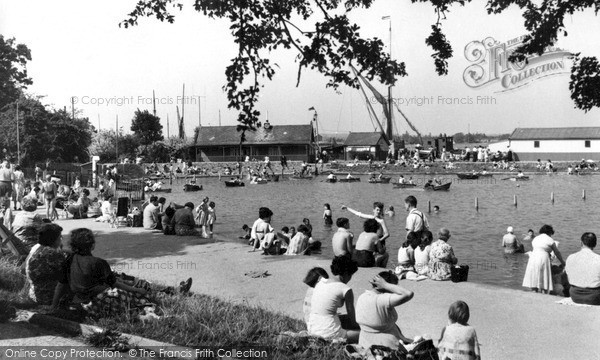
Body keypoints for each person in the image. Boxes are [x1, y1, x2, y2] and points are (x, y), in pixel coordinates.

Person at [52, 228, 192, 315]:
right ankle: (171, 293)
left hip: (81, 303)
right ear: (92, 245)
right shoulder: (98, 263)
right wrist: (134, 290)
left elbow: (61, 284)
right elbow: (115, 284)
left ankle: (170, 291)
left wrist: (53, 305)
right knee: (141, 296)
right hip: (99, 302)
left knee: (133, 285)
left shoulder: (70, 259)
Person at [355, 271, 414, 350]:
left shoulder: (362, 297)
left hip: (365, 344)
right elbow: (408, 294)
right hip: (386, 347)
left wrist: (402, 338)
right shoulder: (381, 300)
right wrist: (386, 285)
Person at [307, 256, 360, 343]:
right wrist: (360, 326)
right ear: (347, 273)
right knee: (363, 334)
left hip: (312, 327)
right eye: (351, 275)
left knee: (341, 318)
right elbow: (352, 317)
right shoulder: (345, 289)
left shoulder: (321, 282)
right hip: (330, 333)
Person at [25, 223, 66, 305]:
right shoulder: (51, 253)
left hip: (35, 293)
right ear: (54, 239)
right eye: (60, 237)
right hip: (47, 297)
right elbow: (68, 274)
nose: (61, 240)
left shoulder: (38, 248)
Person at [522, 225, 566, 294]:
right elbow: (557, 252)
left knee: (534, 276)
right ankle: (544, 293)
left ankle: (534, 291)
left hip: (533, 258)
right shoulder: (549, 239)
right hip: (543, 258)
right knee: (544, 278)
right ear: (549, 232)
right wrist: (563, 262)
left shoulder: (536, 238)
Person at [565, 232, 600, 305]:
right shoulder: (598, 259)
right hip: (594, 297)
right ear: (595, 244)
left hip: (575, 295)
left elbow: (569, 278)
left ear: (581, 243)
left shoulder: (571, 257)